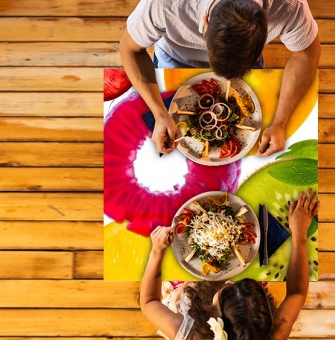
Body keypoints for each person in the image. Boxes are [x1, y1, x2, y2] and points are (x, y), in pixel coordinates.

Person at [120, 0, 321, 156]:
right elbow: (129, 49)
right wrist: (159, 114)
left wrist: (279, 123)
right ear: (205, 23)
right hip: (175, 59)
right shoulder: (163, 5)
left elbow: (306, 54)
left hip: (248, 67)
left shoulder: (289, 6)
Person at [140, 189, 320, 339]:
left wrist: (157, 251)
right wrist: (299, 235)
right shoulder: (271, 335)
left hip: (188, 295)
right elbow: (297, 293)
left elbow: (149, 302)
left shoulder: (190, 334)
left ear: (214, 319)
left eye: (227, 289)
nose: (230, 282)